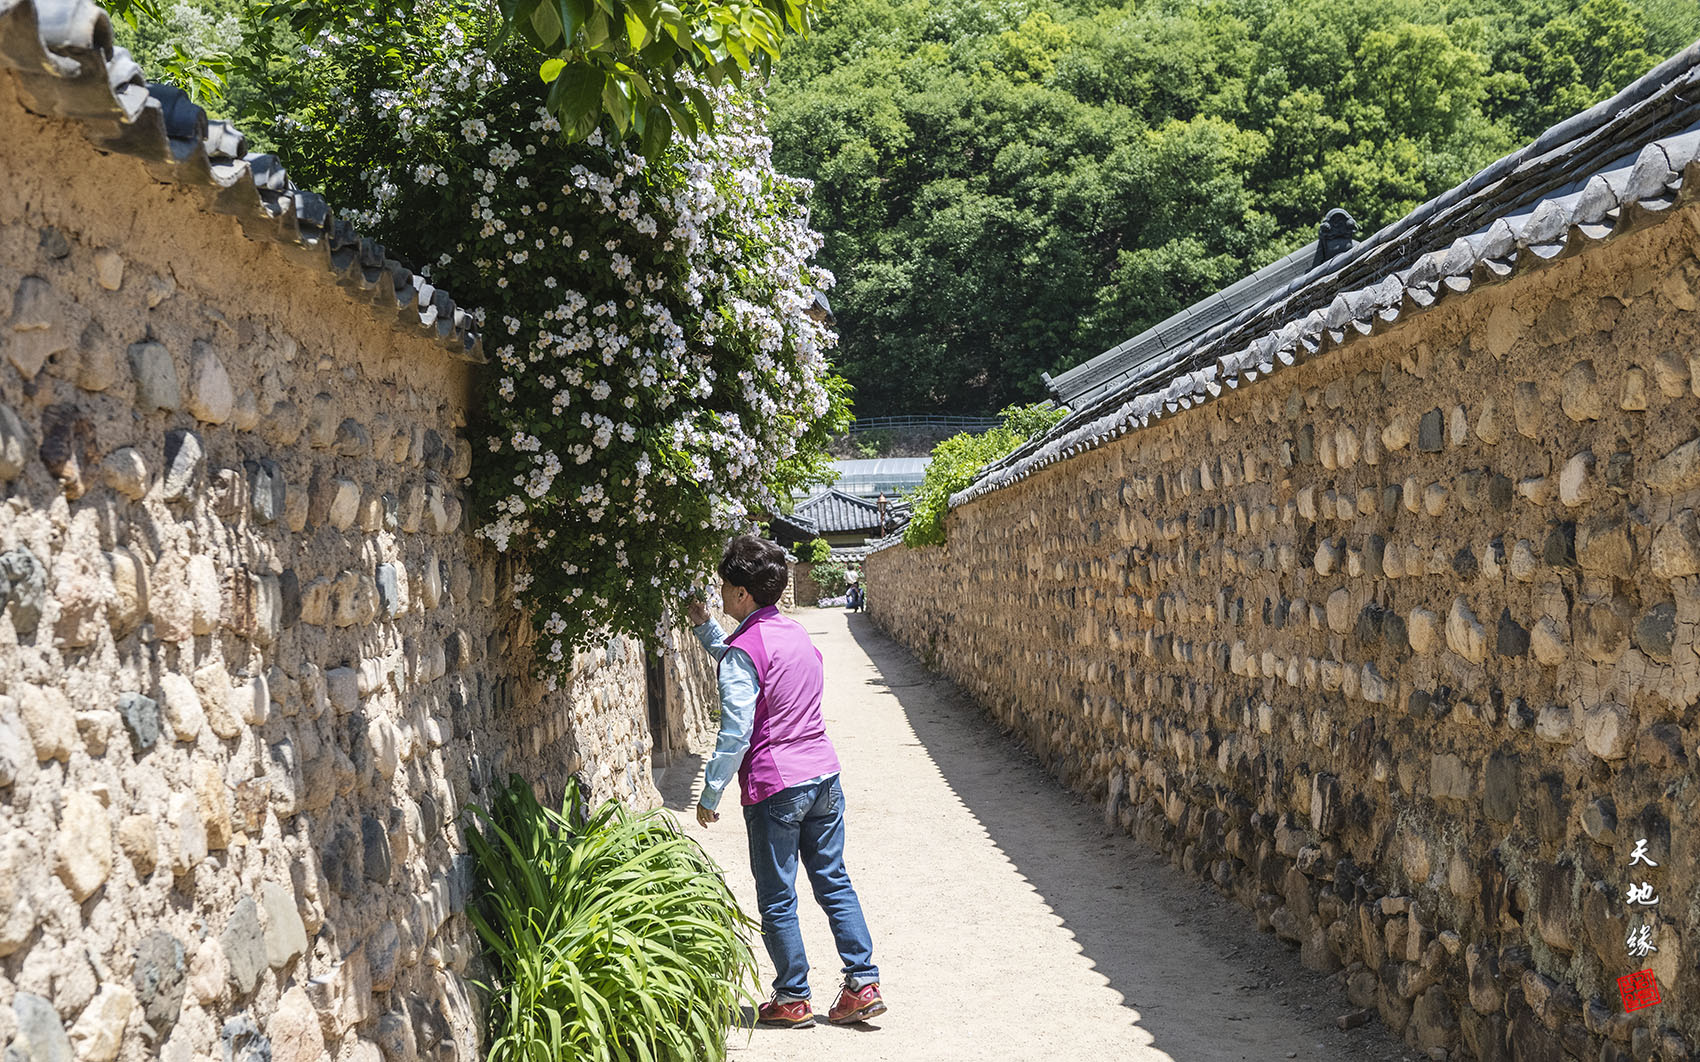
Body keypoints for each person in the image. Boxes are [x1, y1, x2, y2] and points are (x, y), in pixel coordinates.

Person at [687, 535, 886, 1029]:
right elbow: (750, 661)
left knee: (777, 896)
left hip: (776, 785)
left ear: (742, 594)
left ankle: (793, 996)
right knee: (833, 881)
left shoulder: (744, 651)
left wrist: (711, 792)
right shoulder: (795, 634)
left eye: (725, 586)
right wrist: (705, 626)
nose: (720, 592)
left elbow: (737, 727)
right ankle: (863, 983)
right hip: (824, 776)